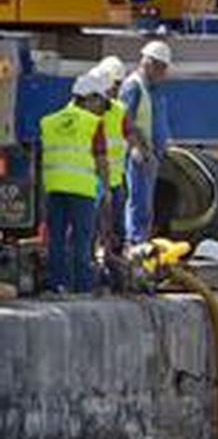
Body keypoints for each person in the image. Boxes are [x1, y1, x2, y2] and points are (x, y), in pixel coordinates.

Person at [41, 72, 111, 295]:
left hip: (54, 188)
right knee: (83, 239)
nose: (102, 108)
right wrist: (107, 189)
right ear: (89, 98)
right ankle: (82, 287)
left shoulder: (49, 121)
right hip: (81, 190)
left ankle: (56, 285)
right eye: (100, 101)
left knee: (57, 239)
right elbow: (101, 159)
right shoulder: (92, 123)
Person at [121, 40, 171, 246]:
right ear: (149, 63)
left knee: (146, 201)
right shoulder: (134, 86)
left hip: (151, 152)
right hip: (141, 153)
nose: (163, 73)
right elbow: (125, 120)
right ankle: (135, 240)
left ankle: (141, 238)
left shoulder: (153, 88)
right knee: (139, 200)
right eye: (161, 68)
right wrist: (137, 147)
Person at [89, 57, 131, 279]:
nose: (116, 90)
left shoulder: (119, 110)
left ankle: (114, 273)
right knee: (92, 228)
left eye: (118, 85)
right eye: (114, 85)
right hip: (91, 181)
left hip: (114, 179)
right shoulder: (87, 109)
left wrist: (142, 148)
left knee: (116, 230)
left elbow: (129, 133)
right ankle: (91, 270)